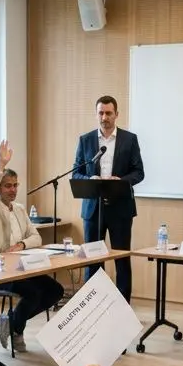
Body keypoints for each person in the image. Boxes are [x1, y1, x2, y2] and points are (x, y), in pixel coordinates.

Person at [0, 139, 64, 353]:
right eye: (8, 185)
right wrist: (0, 166)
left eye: (15, 185)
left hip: (21, 267)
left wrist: (21, 244)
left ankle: (12, 320)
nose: (13, 190)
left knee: (55, 290)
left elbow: (36, 238)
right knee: (33, 293)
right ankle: (17, 330)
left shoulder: (19, 209)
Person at [71, 95, 144, 300]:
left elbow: (139, 172)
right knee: (93, 259)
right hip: (93, 208)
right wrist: (90, 178)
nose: (105, 117)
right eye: (101, 113)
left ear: (116, 115)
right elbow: (75, 173)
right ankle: (92, 305)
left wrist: (119, 180)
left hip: (121, 208)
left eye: (109, 113)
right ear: (96, 115)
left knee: (121, 259)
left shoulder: (130, 139)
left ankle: (123, 307)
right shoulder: (85, 140)